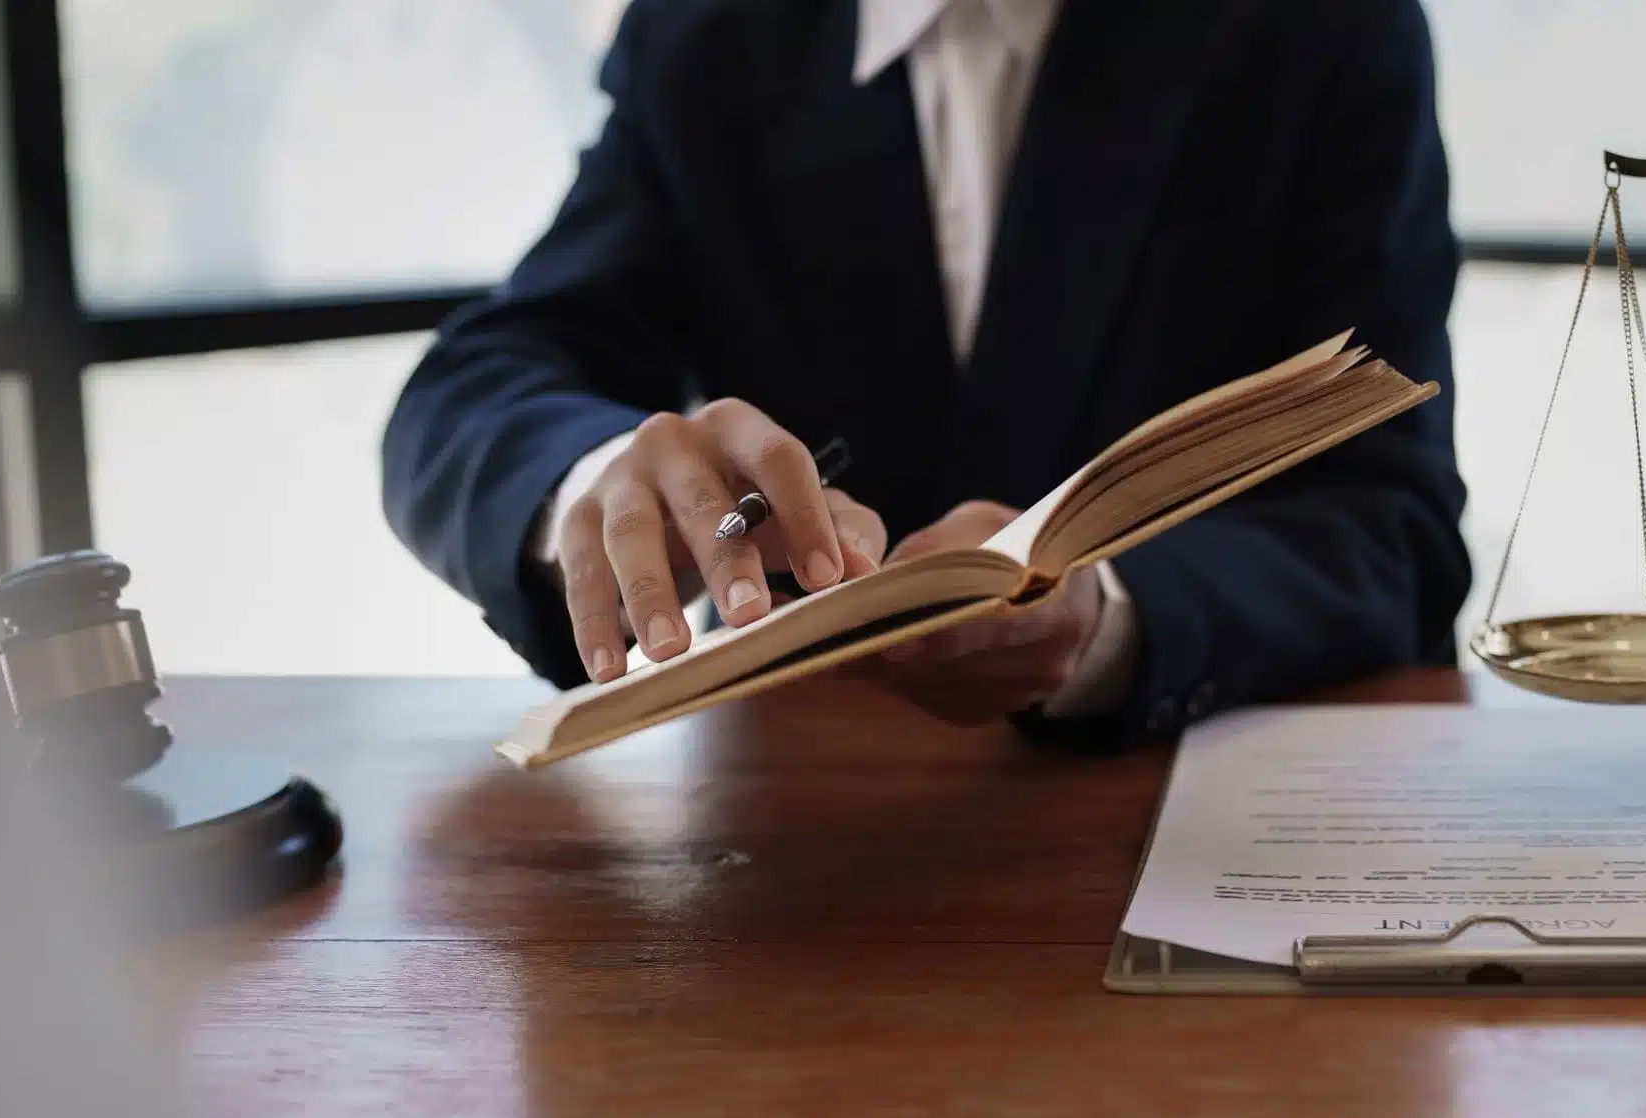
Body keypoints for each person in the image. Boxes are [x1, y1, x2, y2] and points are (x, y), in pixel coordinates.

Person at [382, 0, 1470, 750]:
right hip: (787, 856)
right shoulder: (710, 33)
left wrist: (1101, 618)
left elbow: (1391, 524)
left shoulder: (1321, 28)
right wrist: (602, 480)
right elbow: (473, 386)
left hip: (1192, 820)